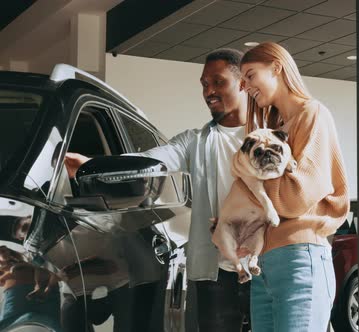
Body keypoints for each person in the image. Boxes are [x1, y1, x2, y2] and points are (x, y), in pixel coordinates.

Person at [65, 48, 251, 332]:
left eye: (218, 82)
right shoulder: (194, 141)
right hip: (215, 271)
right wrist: (93, 164)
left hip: (266, 263)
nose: (208, 91)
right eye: (204, 84)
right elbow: (153, 158)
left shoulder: (270, 135)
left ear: (243, 83)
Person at [234, 42, 350, 331]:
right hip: (264, 264)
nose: (245, 85)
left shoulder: (313, 115)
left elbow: (295, 198)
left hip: (299, 257)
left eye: (250, 75)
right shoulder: (275, 131)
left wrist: (252, 179)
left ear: (276, 67)